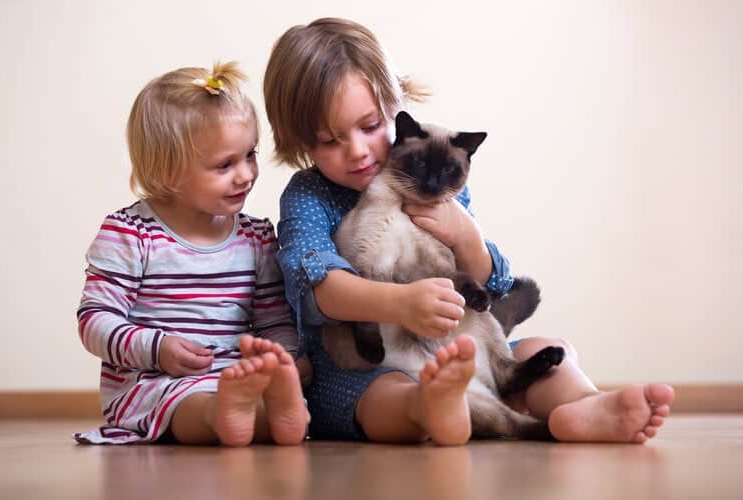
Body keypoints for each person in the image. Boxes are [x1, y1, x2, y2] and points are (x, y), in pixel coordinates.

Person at [263, 17, 675, 445]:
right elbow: (318, 288)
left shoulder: (434, 176)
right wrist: (400, 303)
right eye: (330, 141)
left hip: (454, 343)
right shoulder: (308, 195)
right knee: (384, 395)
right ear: (301, 143)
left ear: (396, 105)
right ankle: (434, 406)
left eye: (370, 126)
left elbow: (489, 286)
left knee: (542, 349)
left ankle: (584, 405)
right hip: (367, 364)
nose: (358, 150)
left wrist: (465, 236)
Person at [74, 62, 309, 446]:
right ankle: (226, 416)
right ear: (168, 172)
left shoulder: (256, 236)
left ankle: (278, 415)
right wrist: (156, 348)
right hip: (154, 382)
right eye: (225, 165)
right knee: (192, 406)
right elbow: (94, 321)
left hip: (235, 377)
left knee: (276, 405)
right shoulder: (131, 234)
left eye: (250, 154)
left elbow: (273, 321)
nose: (246, 174)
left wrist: (282, 356)